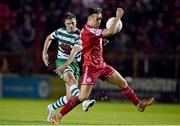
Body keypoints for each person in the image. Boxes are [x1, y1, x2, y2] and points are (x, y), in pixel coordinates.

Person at [52, 8, 154, 124]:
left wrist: (101, 42)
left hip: (101, 66)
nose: (100, 21)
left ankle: (139, 105)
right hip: (90, 68)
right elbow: (110, 32)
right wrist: (118, 17)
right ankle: (58, 116)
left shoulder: (93, 30)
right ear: (90, 19)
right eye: (98, 19)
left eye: (101, 19)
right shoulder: (88, 30)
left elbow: (93, 41)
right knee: (83, 96)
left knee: (123, 83)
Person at [42, 12, 95, 123]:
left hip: (74, 64)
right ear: (65, 24)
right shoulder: (60, 32)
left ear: (76, 22)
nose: (71, 25)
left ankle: (52, 107)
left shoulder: (79, 36)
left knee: (70, 97)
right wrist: (44, 52)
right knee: (70, 78)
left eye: (73, 23)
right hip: (61, 62)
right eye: (68, 23)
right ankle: (85, 101)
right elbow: (49, 38)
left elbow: (74, 53)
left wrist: (65, 66)